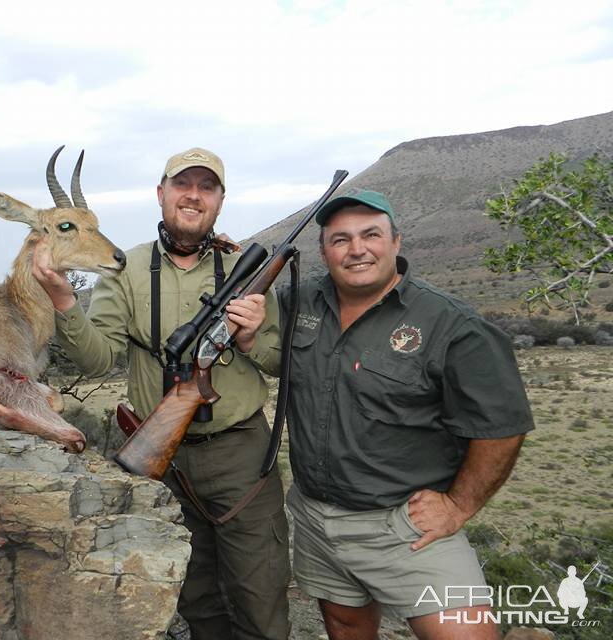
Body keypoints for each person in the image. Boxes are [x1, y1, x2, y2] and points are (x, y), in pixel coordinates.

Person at [32, 148, 291, 640]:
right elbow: (98, 359)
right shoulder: (124, 269)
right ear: (161, 194)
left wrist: (253, 338)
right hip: (161, 461)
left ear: (219, 201)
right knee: (195, 599)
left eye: (206, 187)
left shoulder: (246, 268)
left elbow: (281, 361)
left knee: (261, 597)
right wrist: (65, 303)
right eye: (182, 185)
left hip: (241, 455)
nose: (193, 195)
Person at [268, 190, 533, 640]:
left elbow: (502, 427)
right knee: (345, 624)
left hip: (405, 528)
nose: (357, 249)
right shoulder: (300, 301)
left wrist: (459, 505)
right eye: (341, 239)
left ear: (396, 241)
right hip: (314, 517)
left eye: (371, 234)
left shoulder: (454, 326)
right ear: (323, 251)